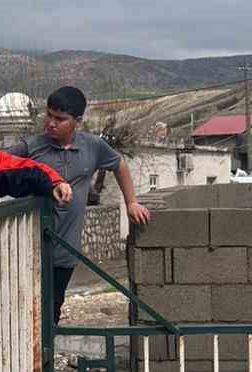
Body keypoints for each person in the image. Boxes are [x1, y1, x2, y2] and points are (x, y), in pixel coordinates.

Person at [10, 85, 151, 323]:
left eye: (60, 119)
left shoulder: (92, 146)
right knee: (26, 310)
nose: (51, 123)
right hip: (30, 249)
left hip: (65, 251)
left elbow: (119, 165)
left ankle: (46, 358)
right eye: (49, 115)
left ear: (77, 120)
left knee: (52, 308)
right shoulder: (30, 147)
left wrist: (132, 203)